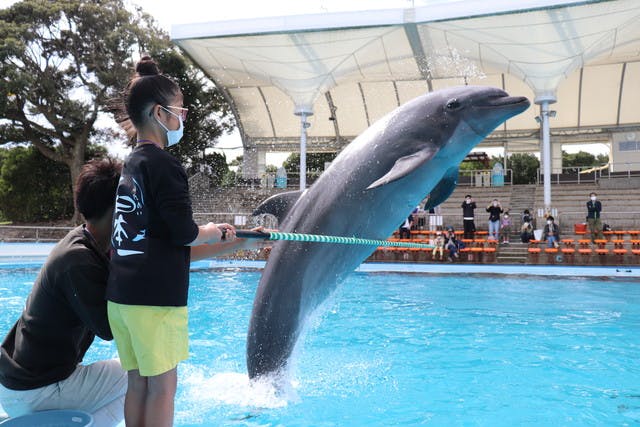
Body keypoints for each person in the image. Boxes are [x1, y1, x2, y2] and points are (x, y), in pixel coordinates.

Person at [105, 56, 259, 427]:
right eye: (181, 111)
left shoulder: (132, 163)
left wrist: (217, 236)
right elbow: (184, 233)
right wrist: (212, 230)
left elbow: (154, 231)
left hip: (122, 297)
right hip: (155, 302)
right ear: (160, 113)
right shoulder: (164, 165)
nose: (183, 119)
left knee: (138, 383)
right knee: (163, 387)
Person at [0, 158, 127, 426]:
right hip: (35, 389)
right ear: (116, 209)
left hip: (22, 380)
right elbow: (109, 327)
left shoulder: (84, 243)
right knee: (136, 376)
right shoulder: (78, 260)